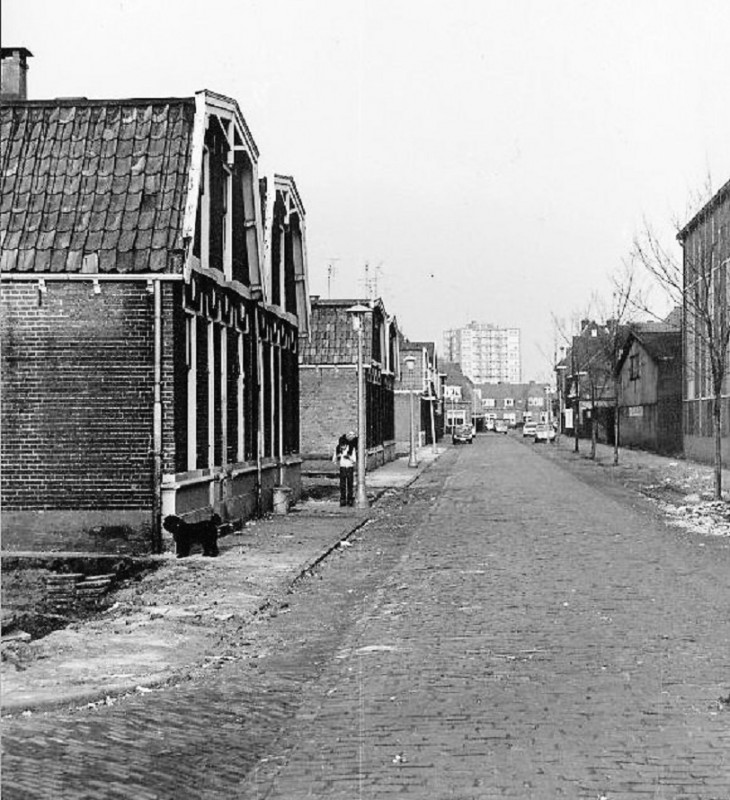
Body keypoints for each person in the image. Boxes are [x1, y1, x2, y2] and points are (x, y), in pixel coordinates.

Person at [333, 430, 358, 506]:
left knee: (350, 484)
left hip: (349, 467)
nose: (342, 448)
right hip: (342, 468)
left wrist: (349, 457)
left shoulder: (351, 449)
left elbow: (354, 460)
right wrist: (337, 457)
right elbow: (334, 460)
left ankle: (350, 499)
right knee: (342, 484)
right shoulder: (338, 449)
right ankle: (342, 499)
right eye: (341, 446)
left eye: (344, 446)